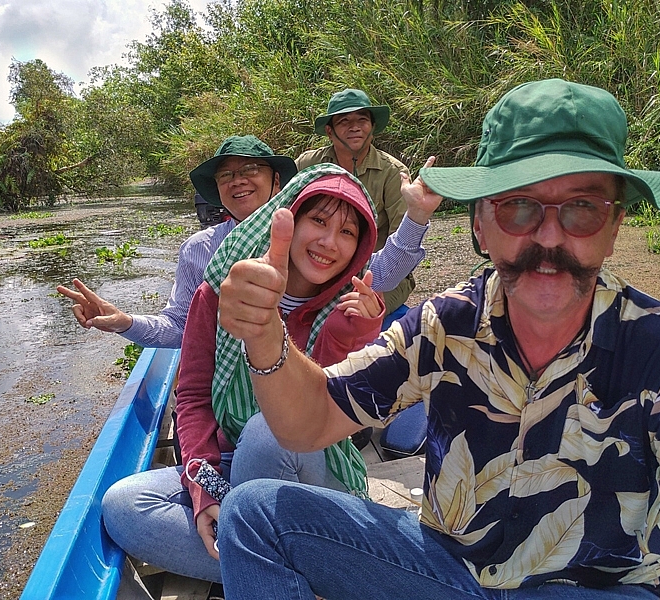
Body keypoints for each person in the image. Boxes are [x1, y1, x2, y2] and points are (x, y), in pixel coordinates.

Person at [215, 79, 660, 599]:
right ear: (480, 225)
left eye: (583, 207)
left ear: (614, 226)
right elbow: (307, 423)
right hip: (447, 572)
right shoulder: (444, 325)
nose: (549, 238)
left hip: (590, 589)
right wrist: (266, 335)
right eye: (518, 206)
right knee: (255, 513)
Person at [101, 164, 385, 583]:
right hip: (232, 465)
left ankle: (267, 569)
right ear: (289, 220)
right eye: (319, 221)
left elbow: (331, 418)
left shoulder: (349, 311)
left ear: (360, 248)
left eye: (347, 232)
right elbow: (194, 396)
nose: (329, 242)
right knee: (125, 504)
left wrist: (352, 336)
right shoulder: (220, 291)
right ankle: (301, 574)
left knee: (268, 428)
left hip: (311, 472)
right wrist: (204, 488)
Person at [56, 135, 434, 348]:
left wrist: (416, 217)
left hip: (311, 377)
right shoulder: (200, 250)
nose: (237, 180)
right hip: (232, 387)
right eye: (226, 176)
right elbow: (182, 328)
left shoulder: (310, 237)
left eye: (250, 169)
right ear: (217, 192)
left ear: (276, 181)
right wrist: (124, 322)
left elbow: (382, 272)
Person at [297, 88, 417, 317]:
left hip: (376, 275)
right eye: (344, 121)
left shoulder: (393, 173)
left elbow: (403, 239)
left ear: (372, 129)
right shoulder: (308, 164)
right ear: (330, 132)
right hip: (319, 267)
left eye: (362, 120)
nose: (355, 127)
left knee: (355, 317)